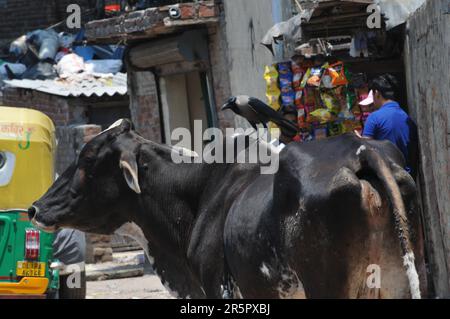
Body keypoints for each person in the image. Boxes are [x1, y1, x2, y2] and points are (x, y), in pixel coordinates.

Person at [362, 74, 418, 174]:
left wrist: (358, 140)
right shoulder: (407, 118)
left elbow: (365, 151)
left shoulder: (374, 118)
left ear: (377, 93)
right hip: (408, 175)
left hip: (387, 177)